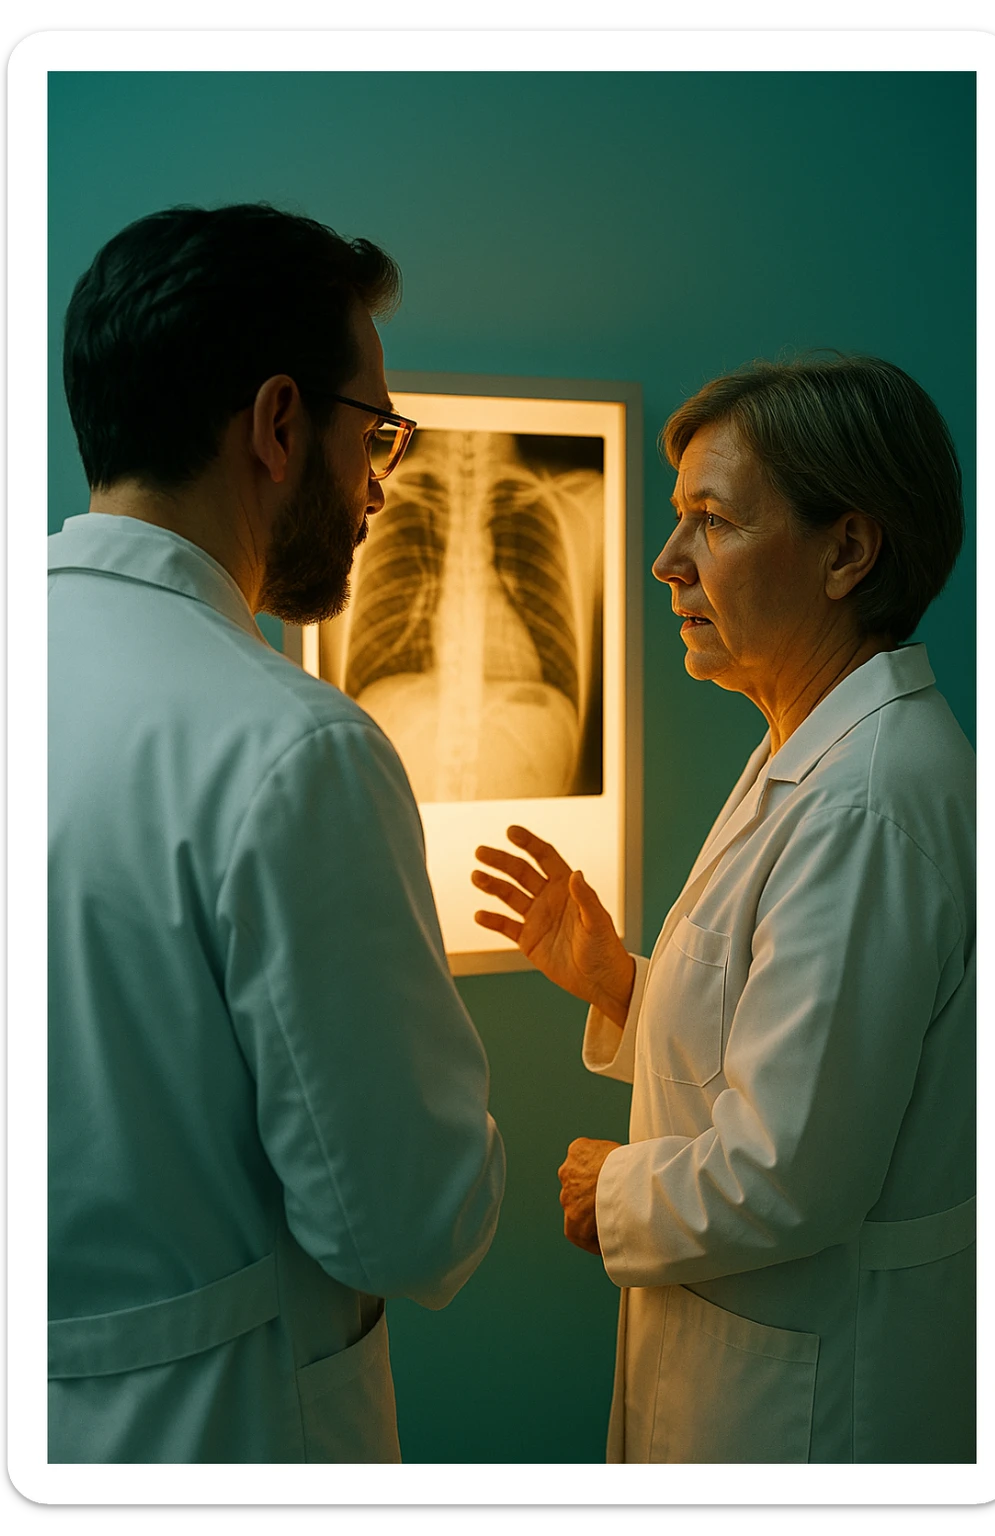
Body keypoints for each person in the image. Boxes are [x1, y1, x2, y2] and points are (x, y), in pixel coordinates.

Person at [48, 203, 505, 1464]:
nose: (378, 482)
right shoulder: (292, 749)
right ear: (279, 423)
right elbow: (410, 1227)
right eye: (381, 434)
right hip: (219, 1436)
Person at [473, 355, 974, 1464]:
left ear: (846, 549)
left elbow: (791, 1169)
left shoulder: (866, 804)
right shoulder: (809, 749)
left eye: (710, 522)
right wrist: (621, 983)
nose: (665, 563)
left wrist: (616, 1188)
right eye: (675, 521)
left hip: (810, 1409)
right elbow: (805, 1046)